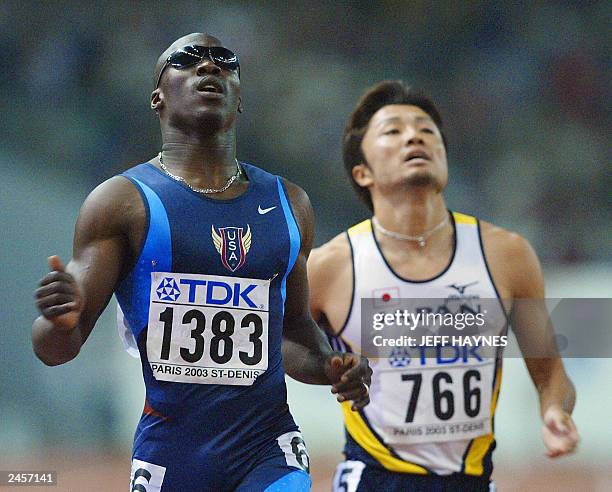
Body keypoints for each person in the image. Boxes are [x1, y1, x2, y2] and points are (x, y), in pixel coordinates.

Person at [32, 33, 371, 492]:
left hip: (266, 448)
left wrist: (332, 364)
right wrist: (58, 319)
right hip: (172, 453)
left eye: (224, 62)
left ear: (240, 98)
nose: (209, 67)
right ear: (158, 96)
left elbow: (290, 336)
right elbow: (56, 348)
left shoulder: (290, 204)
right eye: (187, 59)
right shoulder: (121, 203)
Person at [307, 81, 579, 492]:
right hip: (373, 480)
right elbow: (282, 347)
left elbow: (550, 371)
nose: (415, 135)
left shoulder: (508, 254)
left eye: (426, 129)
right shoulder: (329, 267)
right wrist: (326, 368)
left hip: (471, 481)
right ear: (362, 172)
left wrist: (555, 410)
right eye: (393, 131)